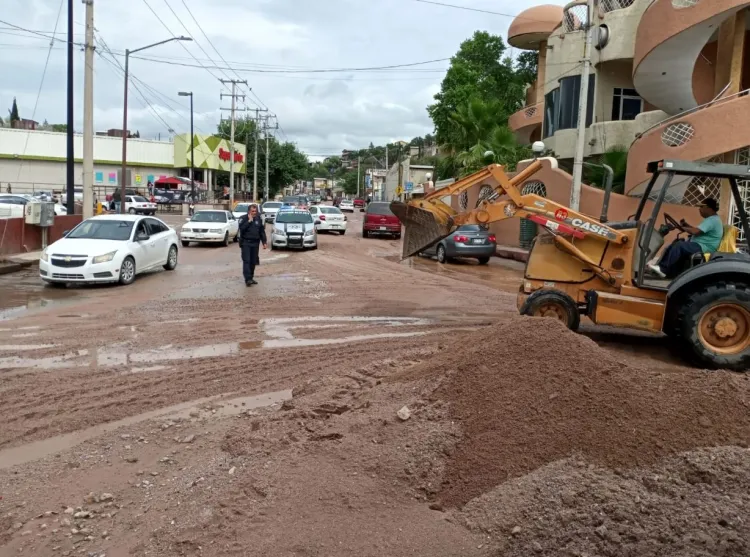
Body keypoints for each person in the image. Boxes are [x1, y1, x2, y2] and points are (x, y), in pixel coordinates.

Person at [648, 198, 723, 278]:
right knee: (674, 245)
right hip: (700, 245)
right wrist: (686, 225)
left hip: (704, 247)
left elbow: (695, 231)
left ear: (709, 208)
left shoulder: (712, 220)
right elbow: (698, 230)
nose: (699, 209)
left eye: (701, 207)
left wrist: (682, 227)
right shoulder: (712, 219)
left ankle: (663, 269)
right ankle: (664, 270)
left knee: (679, 246)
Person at [238, 204, 267, 286]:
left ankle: (251, 277)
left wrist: (264, 242)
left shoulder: (258, 219)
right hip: (246, 243)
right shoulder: (243, 218)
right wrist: (249, 221)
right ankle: (247, 279)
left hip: (255, 243)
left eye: (255, 211)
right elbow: (241, 229)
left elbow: (261, 231)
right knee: (247, 261)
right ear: (248, 211)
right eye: (252, 211)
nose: (254, 213)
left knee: (253, 262)